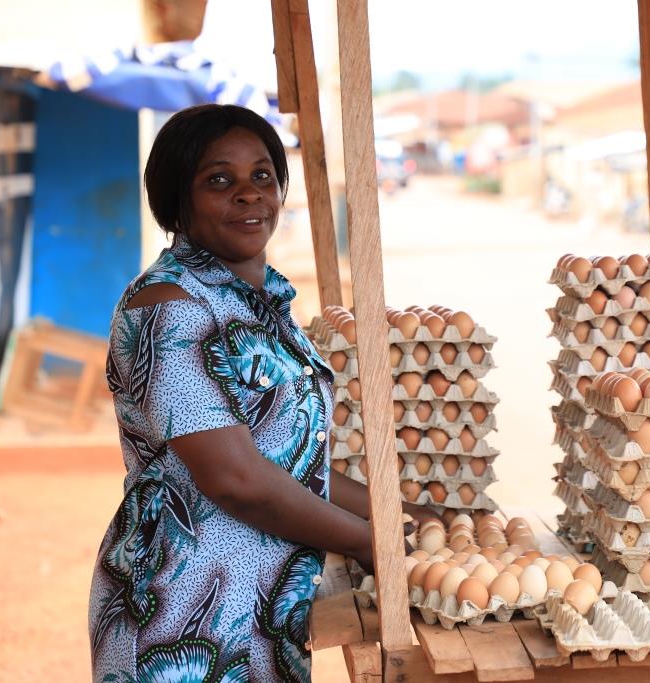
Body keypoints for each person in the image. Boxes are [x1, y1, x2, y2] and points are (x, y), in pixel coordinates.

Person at [88, 104, 437, 682]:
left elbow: (292, 460)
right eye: (218, 179)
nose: (249, 194)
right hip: (182, 616)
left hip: (259, 610)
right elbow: (236, 478)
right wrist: (369, 542)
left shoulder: (258, 301)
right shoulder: (169, 306)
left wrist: (396, 515)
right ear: (177, 198)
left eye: (263, 176)